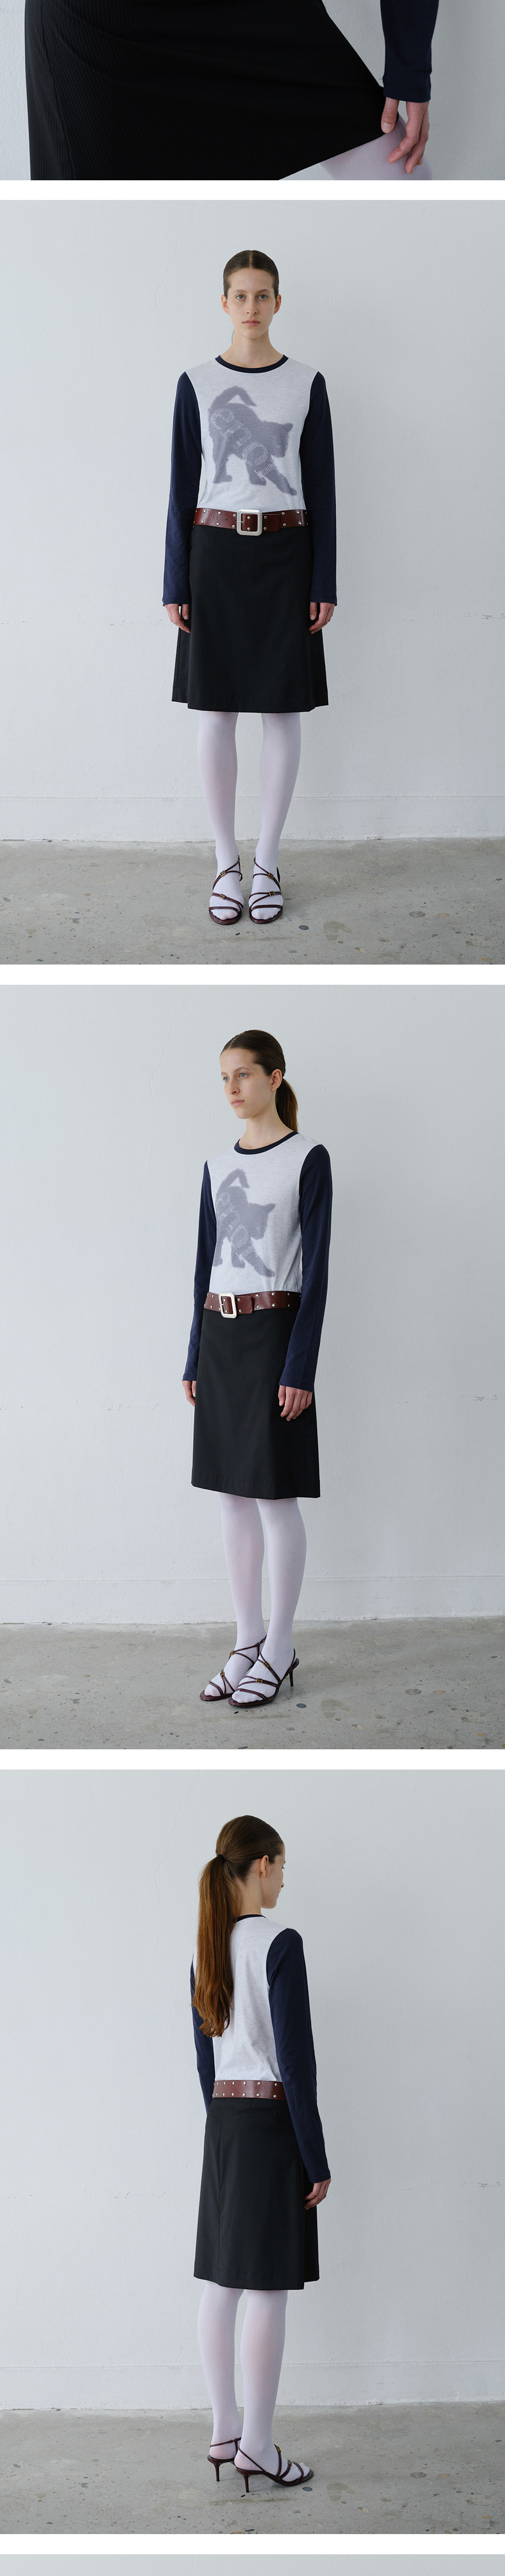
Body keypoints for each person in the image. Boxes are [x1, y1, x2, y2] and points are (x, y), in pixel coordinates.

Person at [165, 250, 336, 929]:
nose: (252, 307)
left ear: (278, 302)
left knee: (283, 711)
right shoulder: (197, 383)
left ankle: (267, 861)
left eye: (263, 295)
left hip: (288, 554)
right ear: (225, 303)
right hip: (215, 556)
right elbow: (181, 486)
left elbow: (322, 485)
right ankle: (224, 864)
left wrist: (323, 578)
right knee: (216, 712)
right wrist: (175, 578)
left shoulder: (307, 383)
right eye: (241, 295)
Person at [183, 1029, 332, 1708]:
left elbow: (318, 1272)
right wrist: (194, 1353)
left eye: (243, 1074)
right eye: (224, 1077)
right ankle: (246, 1641)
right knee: (232, 1495)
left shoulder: (308, 1158)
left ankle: (279, 1645)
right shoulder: (217, 1167)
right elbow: (204, 1266)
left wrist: (300, 1366)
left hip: (275, 1336)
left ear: (275, 1077)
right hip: (221, 1336)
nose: (232, 1089)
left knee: (275, 1494)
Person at [191, 1812, 330, 2489]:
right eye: (282, 1866)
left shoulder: (206, 1950)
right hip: (271, 2124)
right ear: (263, 1865)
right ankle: (260, 2447)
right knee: (268, 2288)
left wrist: (224, 2130)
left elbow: (203, 2061)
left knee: (223, 2286)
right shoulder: (280, 1943)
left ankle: (225, 2433)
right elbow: (296, 2065)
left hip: (224, 2124)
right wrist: (316, 2157)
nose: (283, 1881)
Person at [25, 0, 438, 181]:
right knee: (105, 223)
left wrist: (410, 67)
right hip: (103, 23)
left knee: (399, 178)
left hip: (251, 10)